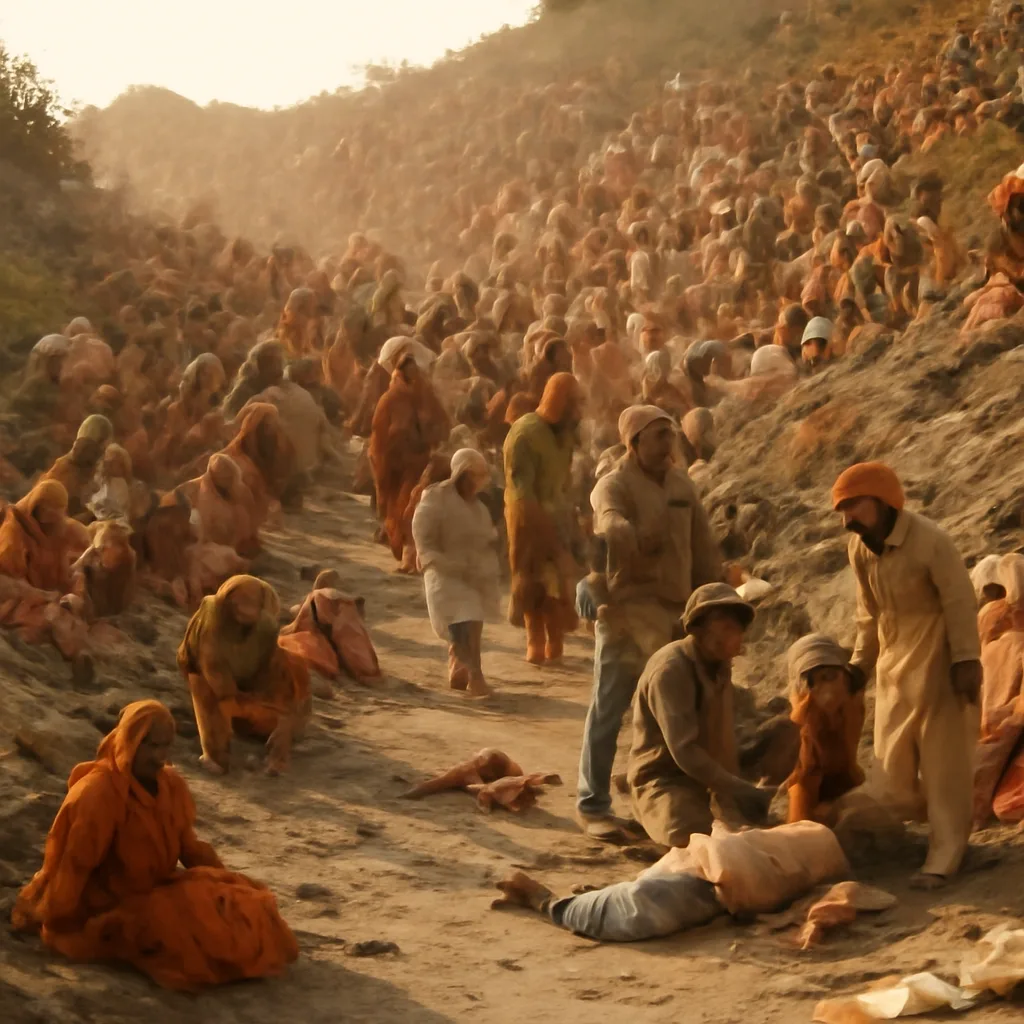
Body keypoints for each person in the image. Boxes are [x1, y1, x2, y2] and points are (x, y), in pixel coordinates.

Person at [12, 700, 298, 990]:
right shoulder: (98, 793)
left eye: (166, 747)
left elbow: (189, 848)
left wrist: (226, 884)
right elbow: (75, 865)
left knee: (243, 906)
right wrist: (56, 917)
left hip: (159, 889)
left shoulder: (170, 785)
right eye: (152, 747)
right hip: (111, 902)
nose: (160, 757)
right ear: (131, 741)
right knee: (185, 938)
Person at [832, 461, 981, 888]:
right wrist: (860, 665)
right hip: (894, 666)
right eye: (842, 511)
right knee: (891, 768)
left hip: (939, 660)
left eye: (854, 507)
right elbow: (868, 614)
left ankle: (945, 857)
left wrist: (966, 661)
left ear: (882, 501)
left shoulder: (932, 542)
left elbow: (959, 604)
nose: (847, 521)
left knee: (943, 766)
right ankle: (902, 839)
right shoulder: (859, 549)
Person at [576, 405, 722, 840]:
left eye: (670, 435)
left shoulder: (681, 483)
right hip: (627, 612)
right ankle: (592, 804)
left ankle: (658, 802)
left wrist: (713, 597)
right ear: (633, 443)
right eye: (657, 437)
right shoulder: (613, 485)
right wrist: (628, 536)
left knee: (671, 714)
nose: (667, 445)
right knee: (610, 707)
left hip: (675, 614)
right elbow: (609, 521)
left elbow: (703, 544)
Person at [628, 583, 771, 848]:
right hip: (667, 778)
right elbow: (685, 753)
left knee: (785, 732)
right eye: (726, 628)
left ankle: (744, 805)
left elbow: (723, 730)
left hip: (712, 772)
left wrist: (736, 786)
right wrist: (739, 789)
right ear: (698, 629)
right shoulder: (670, 671)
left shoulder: (718, 662)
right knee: (695, 836)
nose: (736, 636)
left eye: (737, 628)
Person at [177, 575, 311, 776]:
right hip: (217, 691)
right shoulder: (210, 623)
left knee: (292, 667)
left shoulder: (264, 629)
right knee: (205, 687)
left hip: (249, 696)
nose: (243, 608)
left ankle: (272, 733)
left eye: (251, 603)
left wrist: (286, 719)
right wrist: (238, 700)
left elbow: (272, 676)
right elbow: (216, 677)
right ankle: (215, 753)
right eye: (238, 602)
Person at [502, 371, 582, 665]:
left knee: (559, 585)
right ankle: (534, 641)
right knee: (532, 580)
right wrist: (546, 536)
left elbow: (564, 481)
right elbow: (523, 493)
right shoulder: (524, 433)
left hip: (558, 514)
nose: (579, 412)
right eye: (574, 404)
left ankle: (556, 643)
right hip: (527, 519)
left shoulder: (565, 434)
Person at [412, 447, 500, 696]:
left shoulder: (478, 508)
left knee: (473, 619)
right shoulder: (435, 498)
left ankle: (466, 669)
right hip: (441, 572)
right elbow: (423, 536)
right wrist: (435, 559)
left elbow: (484, 538)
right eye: (474, 476)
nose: (477, 484)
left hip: (469, 574)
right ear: (461, 474)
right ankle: (475, 676)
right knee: (462, 619)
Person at [369, 342, 451, 567]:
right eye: (409, 370)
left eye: (416, 369)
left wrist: (431, 436)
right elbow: (381, 435)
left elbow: (443, 423)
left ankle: (416, 556)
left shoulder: (426, 395)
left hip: (421, 460)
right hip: (396, 462)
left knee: (416, 506)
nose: (414, 375)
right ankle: (407, 556)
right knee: (399, 507)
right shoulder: (391, 399)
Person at [784, 633, 865, 824]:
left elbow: (849, 758)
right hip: (808, 781)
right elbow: (802, 775)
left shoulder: (851, 703)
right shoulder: (803, 714)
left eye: (831, 675)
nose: (827, 685)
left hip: (844, 775)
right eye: (818, 678)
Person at [278, 569, 381, 691]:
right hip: (343, 637)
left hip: (328, 633)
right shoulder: (343, 600)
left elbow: (303, 622)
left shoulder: (320, 596)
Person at [40, 414, 114, 515]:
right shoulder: (73, 472)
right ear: (102, 443)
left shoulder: (64, 465)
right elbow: (61, 518)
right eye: (105, 447)